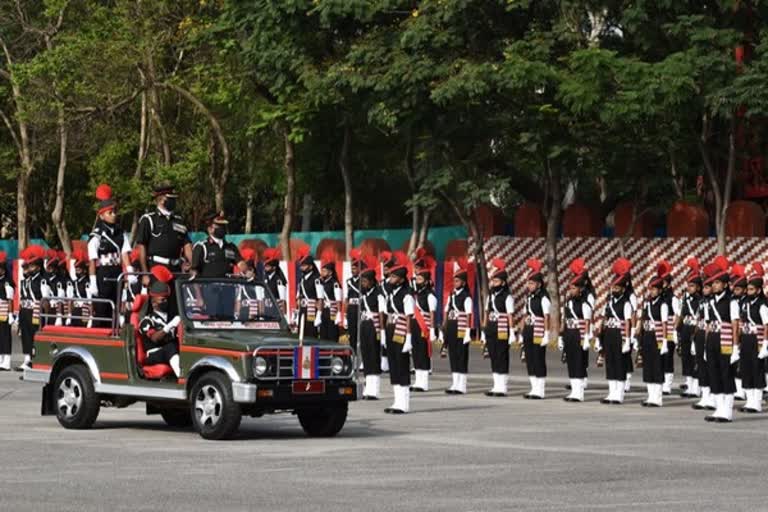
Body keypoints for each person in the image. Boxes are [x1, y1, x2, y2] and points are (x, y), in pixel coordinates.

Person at [88, 184, 133, 327]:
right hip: (103, 275)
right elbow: (92, 261)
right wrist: (93, 281)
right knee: (102, 311)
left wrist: (130, 272)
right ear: (101, 215)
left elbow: (124, 254)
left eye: (114, 212)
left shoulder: (121, 233)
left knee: (116, 309)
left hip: (117, 274)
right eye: (110, 213)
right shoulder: (97, 235)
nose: (114, 215)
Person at [702, 256, 739, 423]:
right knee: (714, 373)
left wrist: (735, 347)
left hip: (725, 341)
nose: (714, 286)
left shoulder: (732, 302)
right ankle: (718, 408)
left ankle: (727, 411)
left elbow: (735, 325)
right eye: (713, 283)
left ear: (725, 285)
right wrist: (705, 346)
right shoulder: (709, 303)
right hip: (712, 341)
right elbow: (709, 326)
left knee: (726, 373)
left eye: (717, 283)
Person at [135, 181, 193, 285]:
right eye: (170, 199)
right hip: (157, 268)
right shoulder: (149, 219)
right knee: (159, 298)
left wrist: (192, 264)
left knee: (176, 300)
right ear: (161, 200)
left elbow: (187, 244)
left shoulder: (179, 220)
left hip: (176, 269)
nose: (174, 201)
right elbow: (141, 246)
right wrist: (144, 272)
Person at [383, 253, 414, 414]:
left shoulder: (406, 295)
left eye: (394, 277)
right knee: (393, 364)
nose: (390, 279)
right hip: (391, 328)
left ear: (401, 279)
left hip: (402, 329)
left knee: (402, 364)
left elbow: (409, 317)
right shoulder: (391, 293)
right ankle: (396, 400)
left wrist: (409, 338)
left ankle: (404, 402)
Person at [599, 258, 633, 405]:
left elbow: (627, 322)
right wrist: (600, 332)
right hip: (609, 334)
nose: (614, 290)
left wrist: (627, 339)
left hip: (619, 334)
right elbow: (605, 318)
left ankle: (619, 394)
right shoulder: (609, 302)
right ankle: (611, 392)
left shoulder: (626, 303)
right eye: (613, 287)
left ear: (623, 289)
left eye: (617, 288)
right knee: (610, 363)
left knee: (619, 363)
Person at [138, 266, 181, 377]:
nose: (165, 301)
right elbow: (155, 338)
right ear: (154, 302)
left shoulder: (169, 317)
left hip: (168, 351)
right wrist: (170, 326)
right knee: (170, 347)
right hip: (153, 354)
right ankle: (182, 378)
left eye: (166, 299)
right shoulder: (147, 321)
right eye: (162, 299)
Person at [637, 262, 670, 407]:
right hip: (647, 336)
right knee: (648, 366)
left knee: (657, 366)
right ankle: (650, 396)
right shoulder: (647, 303)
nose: (652, 291)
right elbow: (643, 319)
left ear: (660, 290)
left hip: (657, 337)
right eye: (651, 289)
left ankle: (658, 397)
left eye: (655, 289)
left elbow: (664, 324)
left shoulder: (662, 304)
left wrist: (663, 341)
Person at [560, 261, 592, 402]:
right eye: (570, 288)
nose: (571, 290)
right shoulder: (568, 302)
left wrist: (586, 338)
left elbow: (587, 322)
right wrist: (562, 336)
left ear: (580, 289)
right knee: (571, 361)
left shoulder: (584, 303)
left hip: (579, 334)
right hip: (569, 333)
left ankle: (579, 393)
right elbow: (564, 319)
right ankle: (574, 390)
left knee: (578, 362)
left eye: (574, 288)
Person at [737, 263, 767, 414]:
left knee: (757, 369)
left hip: (758, 339)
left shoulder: (762, 305)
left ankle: (757, 402)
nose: (748, 292)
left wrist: (765, 345)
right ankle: (749, 401)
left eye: (751, 289)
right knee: (746, 368)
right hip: (747, 339)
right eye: (748, 289)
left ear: (759, 290)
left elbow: (767, 325)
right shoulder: (745, 303)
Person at [520, 258, 551, 399]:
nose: (529, 285)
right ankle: (533, 387)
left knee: (538, 358)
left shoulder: (543, 297)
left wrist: (546, 333)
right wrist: (522, 331)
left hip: (539, 329)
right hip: (529, 328)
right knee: (530, 358)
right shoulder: (529, 297)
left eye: (532, 283)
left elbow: (546, 317)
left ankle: (541, 389)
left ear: (539, 284)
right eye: (528, 283)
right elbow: (526, 314)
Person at [482, 259, 514, 397]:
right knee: (493, 355)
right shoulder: (490, 296)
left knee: (501, 355)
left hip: (502, 328)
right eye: (493, 281)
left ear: (503, 282)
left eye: (496, 281)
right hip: (491, 327)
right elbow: (487, 312)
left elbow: (509, 315)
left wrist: (512, 332)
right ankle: (496, 385)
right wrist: (484, 329)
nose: (493, 283)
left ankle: (503, 386)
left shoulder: (507, 297)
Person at [17, 245, 50, 371]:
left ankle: (35, 359)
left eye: (32, 266)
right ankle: (27, 359)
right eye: (28, 266)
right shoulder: (27, 280)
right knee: (25, 335)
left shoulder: (42, 280)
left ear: (38, 266)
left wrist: (45, 317)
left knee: (34, 336)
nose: (29, 268)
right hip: (25, 310)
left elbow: (45, 300)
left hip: (35, 311)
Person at [443, 259, 473, 395]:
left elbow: (468, 315)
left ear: (463, 282)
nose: (455, 283)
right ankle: (455, 383)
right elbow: (446, 311)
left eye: (457, 281)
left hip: (461, 328)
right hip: (452, 327)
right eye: (454, 281)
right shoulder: (451, 295)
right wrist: (444, 328)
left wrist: (468, 332)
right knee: (453, 355)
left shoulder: (466, 297)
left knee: (461, 355)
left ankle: (462, 385)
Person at [358, 256, 385, 400]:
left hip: (374, 326)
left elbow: (381, 313)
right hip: (364, 325)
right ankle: (368, 387)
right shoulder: (363, 294)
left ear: (371, 281)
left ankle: (374, 389)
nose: (363, 283)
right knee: (366, 354)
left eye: (365, 281)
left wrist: (382, 331)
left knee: (374, 356)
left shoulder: (378, 294)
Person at [411, 255, 437, 393]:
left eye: (420, 279)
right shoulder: (417, 294)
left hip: (424, 327)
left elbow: (432, 313)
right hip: (415, 325)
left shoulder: (430, 295)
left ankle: (424, 382)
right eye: (417, 279)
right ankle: (418, 381)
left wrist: (432, 329)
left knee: (423, 353)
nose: (418, 281)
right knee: (416, 353)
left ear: (426, 281)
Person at [677, 258, 702, 398]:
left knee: (695, 360)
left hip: (695, 330)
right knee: (686, 358)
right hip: (686, 329)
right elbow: (682, 314)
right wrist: (678, 331)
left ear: (698, 287)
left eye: (692, 286)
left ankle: (696, 388)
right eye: (688, 285)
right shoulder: (686, 299)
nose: (689, 288)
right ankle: (689, 386)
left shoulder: (701, 300)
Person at [190, 212, 242, 278]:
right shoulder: (202, 247)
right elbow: (194, 272)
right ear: (210, 229)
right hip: (208, 286)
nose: (222, 229)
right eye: (219, 226)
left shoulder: (230, 247)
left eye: (223, 226)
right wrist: (196, 288)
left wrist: (247, 271)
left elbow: (241, 263)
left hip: (228, 286)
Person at [692, 274, 716, 411]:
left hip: (710, 334)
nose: (706, 290)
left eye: (708, 287)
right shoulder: (701, 302)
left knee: (711, 366)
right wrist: (694, 339)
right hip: (700, 334)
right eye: (705, 287)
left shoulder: (713, 302)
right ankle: (705, 395)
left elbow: (708, 323)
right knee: (701, 364)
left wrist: (707, 342)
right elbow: (697, 320)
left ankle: (713, 396)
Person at [295, 246, 323, 338]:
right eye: (301, 265)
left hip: (312, 310)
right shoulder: (302, 279)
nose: (302, 267)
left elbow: (320, 298)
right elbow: (299, 297)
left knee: (311, 334)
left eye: (304, 265)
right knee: (301, 334)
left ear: (310, 266)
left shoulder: (316, 279)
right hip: (302, 310)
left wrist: (319, 314)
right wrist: (296, 311)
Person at [660, 263, 679, 396]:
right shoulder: (659, 297)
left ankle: (667, 384)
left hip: (670, 331)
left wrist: (674, 331)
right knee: (659, 357)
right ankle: (660, 381)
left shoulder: (673, 298)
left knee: (668, 357)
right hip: (659, 331)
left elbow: (678, 314)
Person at [729, 264, 748, 401]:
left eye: (738, 288)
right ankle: (737, 388)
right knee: (734, 364)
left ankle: (743, 390)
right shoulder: (732, 300)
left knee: (743, 364)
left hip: (744, 335)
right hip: (732, 335)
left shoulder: (746, 302)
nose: (735, 290)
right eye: (734, 288)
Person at [319, 257, 342, 342]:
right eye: (322, 271)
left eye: (324, 271)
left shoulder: (335, 283)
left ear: (330, 272)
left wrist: (339, 313)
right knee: (323, 332)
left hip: (332, 310)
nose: (322, 273)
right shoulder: (321, 283)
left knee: (332, 332)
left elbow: (338, 299)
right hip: (324, 309)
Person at [67, 249, 93, 327]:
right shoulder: (75, 282)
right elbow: (71, 299)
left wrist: (91, 317)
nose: (77, 271)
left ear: (84, 270)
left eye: (79, 269)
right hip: (76, 309)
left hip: (84, 310)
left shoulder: (87, 283)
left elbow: (90, 301)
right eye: (76, 269)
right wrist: (69, 314)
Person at [345, 248, 364, 356]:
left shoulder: (363, 280)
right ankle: (353, 354)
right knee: (352, 332)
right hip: (352, 308)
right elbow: (347, 298)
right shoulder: (349, 281)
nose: (353, 270)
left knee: (360, 333)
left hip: (360, 307)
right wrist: (345, 312)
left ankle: (361, 354)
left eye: (355, 268)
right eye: (352, 268)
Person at [0, 252, 15, 371]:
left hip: (4, 311)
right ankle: (1, 359)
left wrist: (10, 314)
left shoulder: (7, 282)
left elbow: (10, 299)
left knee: (5, 336)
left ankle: (7, 361)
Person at [262, 247, 287, 314]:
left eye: (267, 267)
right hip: (267, 309)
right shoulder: (265, 278)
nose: (265, 268)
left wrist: (284, 316)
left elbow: (282, 300)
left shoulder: (279, 280)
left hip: (276, 310)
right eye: (265, 266)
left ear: (274, 267)